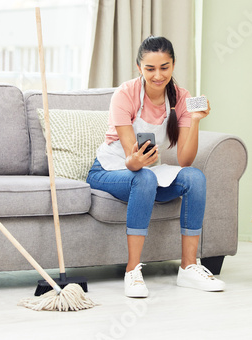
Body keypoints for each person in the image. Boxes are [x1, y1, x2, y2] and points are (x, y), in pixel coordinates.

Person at [86, 36, 225, 298]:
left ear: (173, 65)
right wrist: (138, 161)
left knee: (194, 178)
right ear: (139, 68)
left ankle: (188, 267)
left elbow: (185, 160)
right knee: (145, 178)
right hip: (110, 169)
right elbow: (130, 160)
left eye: (164, 67)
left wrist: (195, 120)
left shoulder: (182, 99)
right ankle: (132, 271)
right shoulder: (125, 94)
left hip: (148, 170)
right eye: (150, 69)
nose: (158, 75)